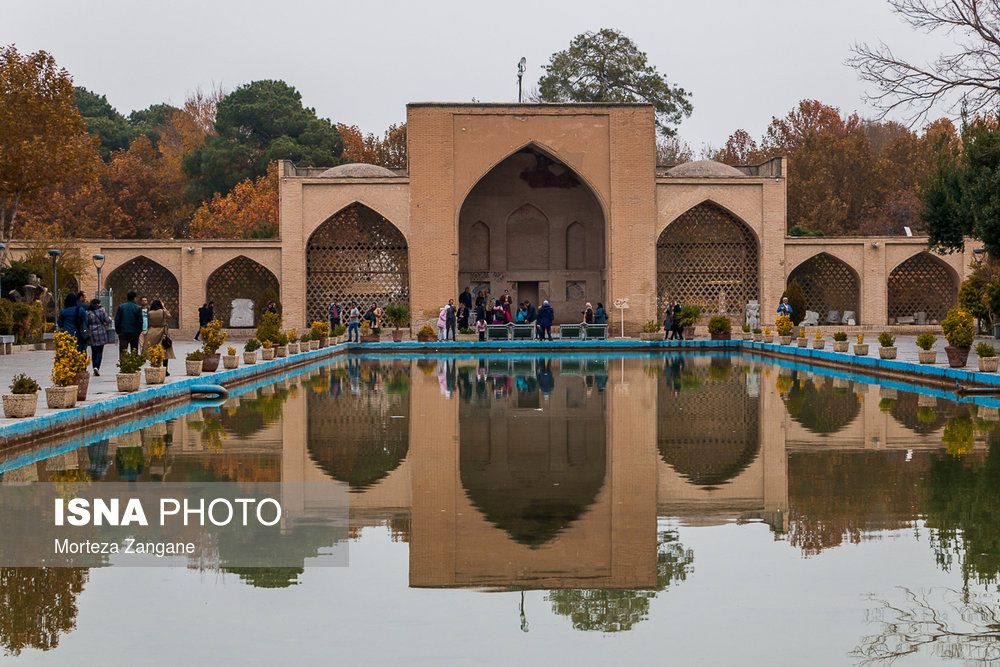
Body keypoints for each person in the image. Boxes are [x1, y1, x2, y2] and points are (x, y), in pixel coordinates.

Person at [145, 299, 175, 376]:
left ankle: (155, 367)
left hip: (152, 332)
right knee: (165, 351)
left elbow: (149, 323)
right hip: (162, 332)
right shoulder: (163, 312)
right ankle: (165, 369)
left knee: (153, 350)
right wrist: (164, 307)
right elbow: (169, 316)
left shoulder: (150, 313)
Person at [114, 291, 143, 359]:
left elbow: (117, 320)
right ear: (134, 298)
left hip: (123, 332)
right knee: (134, 350)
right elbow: (140, 321)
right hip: (134, 332)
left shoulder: (121, 307)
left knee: (123, 350)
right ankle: (134, 364)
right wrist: (139, 332)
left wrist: (118, 331)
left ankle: (123, 364)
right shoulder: (137, 308)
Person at [86, 298, 112, 376]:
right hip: (100, 331)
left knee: (94, 351)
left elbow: (86, 322)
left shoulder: (88, 312)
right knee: (100, 350)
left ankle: (94, 366)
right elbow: (107, 320)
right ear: (98, 304)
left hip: (91, 332)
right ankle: (97, 366)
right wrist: (109, 319)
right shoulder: (102, 310)